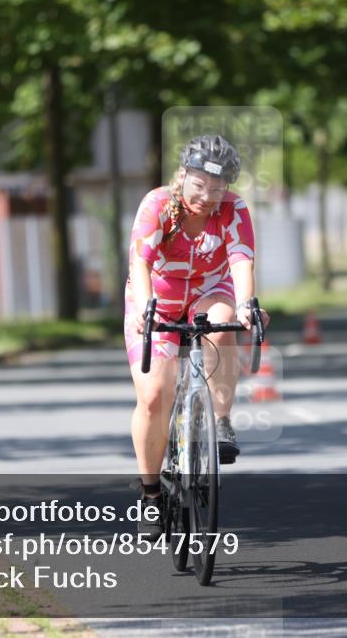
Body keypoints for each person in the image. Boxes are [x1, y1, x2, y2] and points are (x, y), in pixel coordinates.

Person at [125, 134, 270, 538]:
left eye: (218, 188)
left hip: (209, 291)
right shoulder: (157, 205)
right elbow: (140, 262)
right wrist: (145, 310)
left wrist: (247, 305)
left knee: (223, 325)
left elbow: (240, 261)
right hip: (157, 299)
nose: (207, 196)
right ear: (183, 175)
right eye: (200, 185)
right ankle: (151, 493)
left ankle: (220, 421)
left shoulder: (233, 210)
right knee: (154, 395)